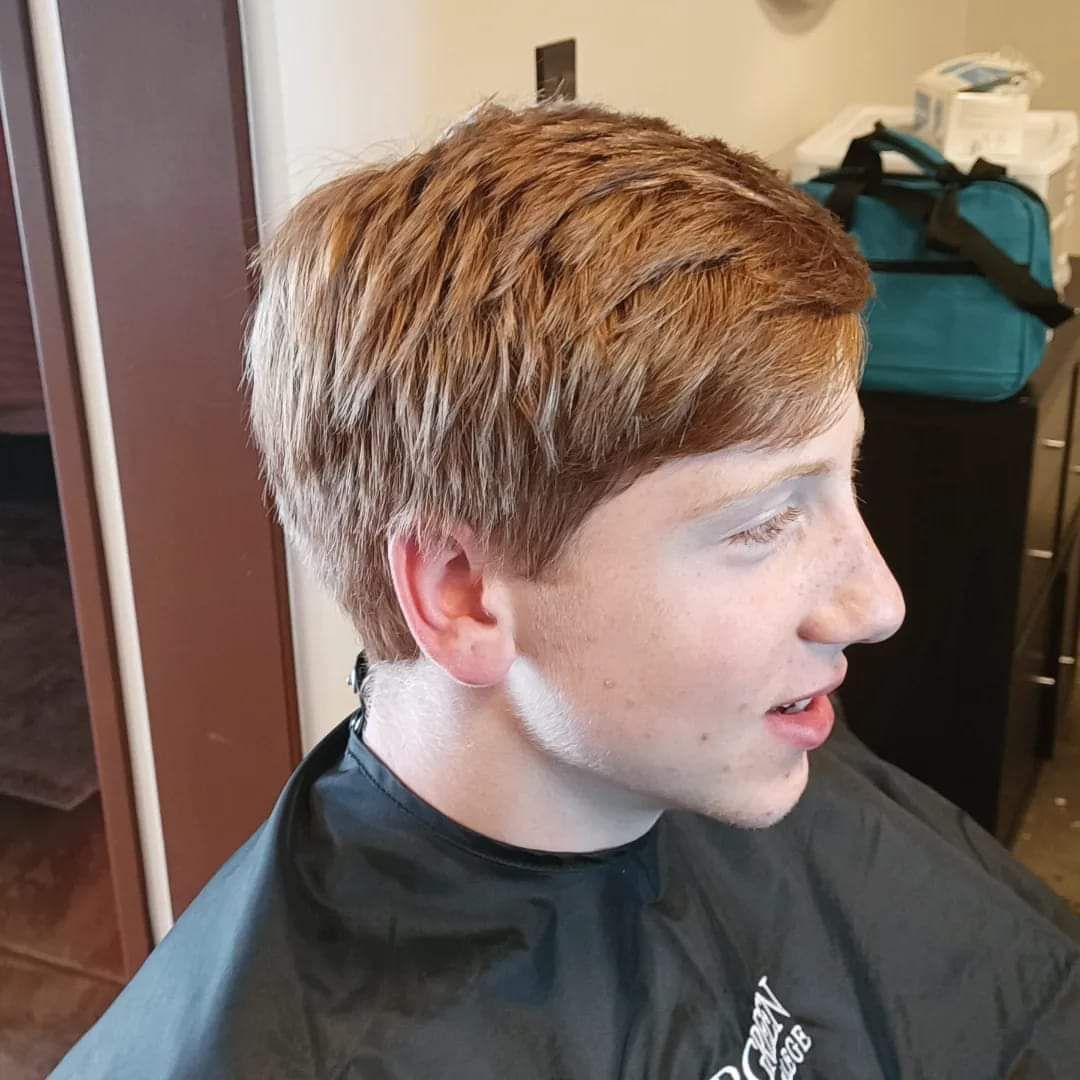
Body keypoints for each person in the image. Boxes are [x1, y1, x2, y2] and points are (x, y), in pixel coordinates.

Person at [53, 99, 1079, 1079]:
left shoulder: (719, 736)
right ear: (462, 596)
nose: (878, 603)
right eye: (765, 523)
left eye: (844, 478)